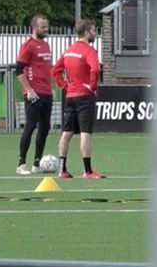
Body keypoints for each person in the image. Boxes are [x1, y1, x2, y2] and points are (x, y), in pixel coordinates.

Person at [51, 19, 104, 179]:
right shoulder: (89, 51)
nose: (95, 33)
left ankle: (62, 170)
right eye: (94, 30)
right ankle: (87, 171)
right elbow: (95, 69)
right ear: (87, 32)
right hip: (84, 96)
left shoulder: (69, 50)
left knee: (67, 133)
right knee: (85, 133)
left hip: (70, 96)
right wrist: (93, 87)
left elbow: (55, 71)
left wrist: (65, 86)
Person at [14, 14, 53, 175]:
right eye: (43, 27)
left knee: (45, 127)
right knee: (30, 126)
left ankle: (37, 163)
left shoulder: (46, 45)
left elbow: (46, 70)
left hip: (46, 92)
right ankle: (21, 164)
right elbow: (18, 70)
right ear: (34, 28)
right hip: (34, 94)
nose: (46, 29)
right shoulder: (28, 46)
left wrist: (51, 89)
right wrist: (29, 90)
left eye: (46, 26)